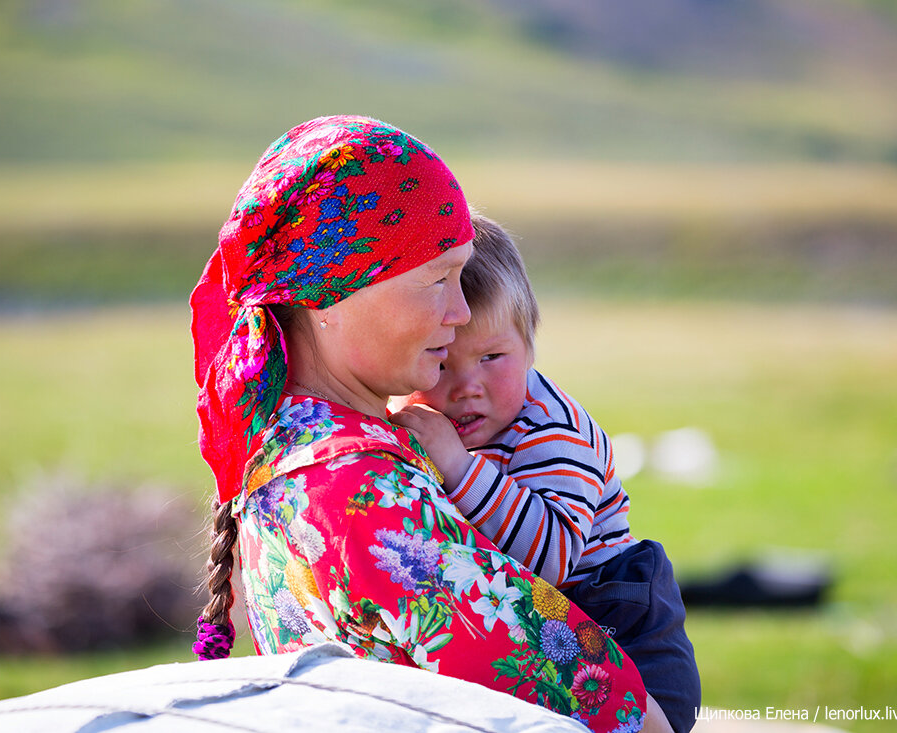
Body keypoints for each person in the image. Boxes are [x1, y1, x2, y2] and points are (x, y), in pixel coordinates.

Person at [190, 115, 672, 733]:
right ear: (330, 292)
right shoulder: (355, 488)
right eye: (436, 279)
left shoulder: (288, 439)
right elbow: (615, 714)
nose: (461, 310)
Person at [389, 215, 701, 732]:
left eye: (492, 357)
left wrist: (457, 467)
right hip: (551, 623)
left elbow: (550, 560)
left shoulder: (553, 433)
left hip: (621, 628)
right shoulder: (449, 422)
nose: (468, 385)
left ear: (530, 345)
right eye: (441, 362)